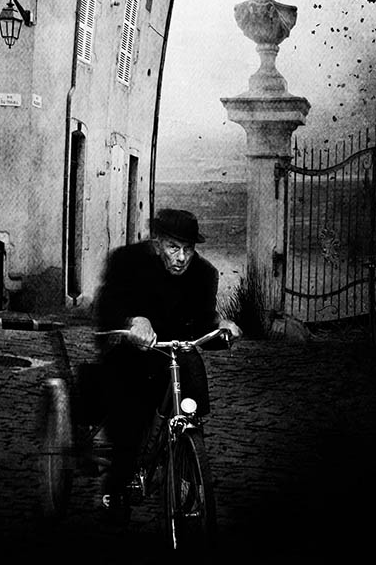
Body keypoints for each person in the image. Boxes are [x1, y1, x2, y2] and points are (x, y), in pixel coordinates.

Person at [93, 207, 243, 522]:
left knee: (192, 388)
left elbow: (203, 321)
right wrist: (133, 320)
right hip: (132, 350)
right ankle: (117, 485)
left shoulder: (204, 274)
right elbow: (107, 307)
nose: (182, 257)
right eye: (174, 247)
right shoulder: (129, 262)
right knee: (130, 411)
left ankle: (187, 460)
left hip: (174, 352)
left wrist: (222, 327)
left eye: (188, 249)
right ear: (157, 241)